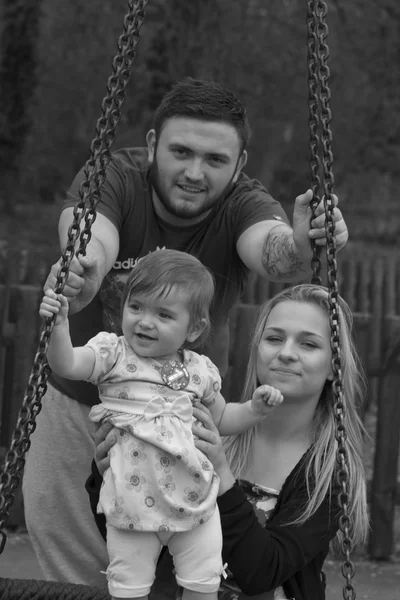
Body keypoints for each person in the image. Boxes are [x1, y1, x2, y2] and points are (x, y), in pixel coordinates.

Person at [23, 77, 349, 587]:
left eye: (216, 160)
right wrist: (82, 271)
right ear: (153, 145)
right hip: (78, 403)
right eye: (180, 151)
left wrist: (306, 245)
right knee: (75, 569)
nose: (195, 172)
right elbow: (91, 234)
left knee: (178, 564)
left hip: (178, 413)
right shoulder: (114, 177)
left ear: (239, 166)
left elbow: (274, 253)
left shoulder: (243, 203)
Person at [89, 283, 369, 600]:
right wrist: (111, 476)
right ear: (257, 349)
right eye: (274, 338)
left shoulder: (330, 473)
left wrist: (221, 473)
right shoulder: (205, 427)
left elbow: (262, 573)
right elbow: (144, 541)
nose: (286, 353)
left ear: (334, 366)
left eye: (308, 344)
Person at [39, 249, 284, 600]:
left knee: (203, 585)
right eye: (136, 307)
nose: (144, 321)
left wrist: (254, 409)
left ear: (194, 328)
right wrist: (59, 326)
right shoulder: (113, 355)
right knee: (128, 587)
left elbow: (223, 418)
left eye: (163, 314)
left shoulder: (199, 370)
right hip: (131, 503)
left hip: (195, 500)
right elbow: (66, 364)